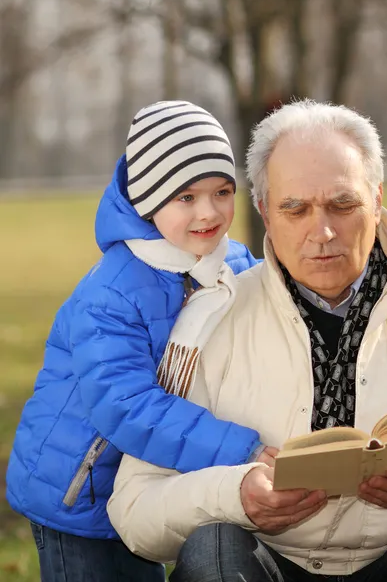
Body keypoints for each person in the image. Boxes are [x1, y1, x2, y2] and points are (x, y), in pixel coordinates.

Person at [107, 99, 387, 582]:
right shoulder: (206, 318)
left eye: (343, 204)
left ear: (377, 198)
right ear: (264, 212)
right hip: (268, 562)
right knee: (214, 547)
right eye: (295, 209)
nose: (322, 231)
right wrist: (236, 495)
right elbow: (135, 508)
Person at [6, 100, 273, 581]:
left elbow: (290, 284)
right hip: (82, 496)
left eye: (222, 191)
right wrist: (244, 451)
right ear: (148, 201)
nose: (209, 212)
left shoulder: (228, 264)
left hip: (155, 482)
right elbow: (126, 407)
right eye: (185, 198)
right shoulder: (112, 293)